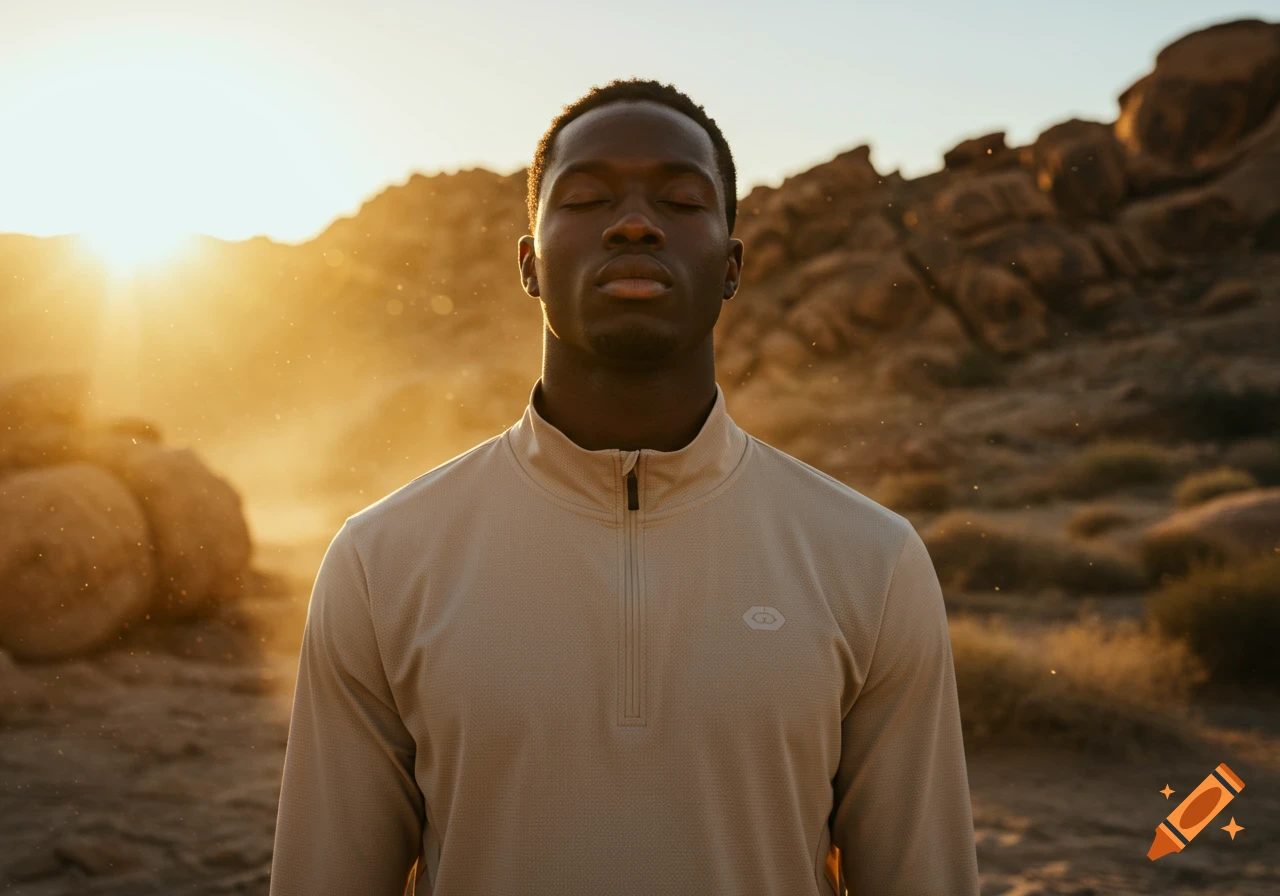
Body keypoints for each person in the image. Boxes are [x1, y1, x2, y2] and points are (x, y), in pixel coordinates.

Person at [269, 77, 980, 896]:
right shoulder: (381, 561)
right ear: (530, 263)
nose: (635, 223)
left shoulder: (872, 563)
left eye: (681, 200)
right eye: (586, 198)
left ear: (731, 266)